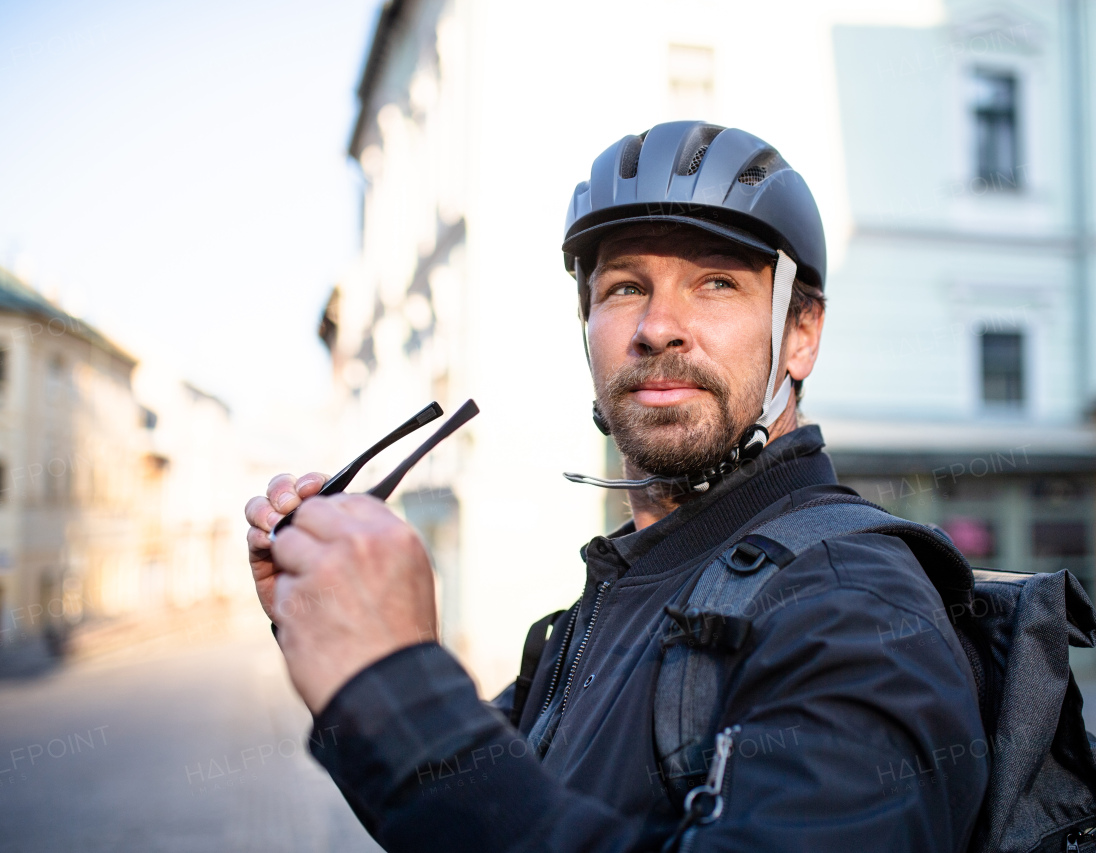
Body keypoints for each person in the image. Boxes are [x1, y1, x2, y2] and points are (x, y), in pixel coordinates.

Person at [245, 121, 987, 852]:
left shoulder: (850, 602)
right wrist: (339, 638)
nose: (659, 326)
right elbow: (467, 814)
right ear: (587, 325)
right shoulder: (616, 596)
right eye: (628, 286)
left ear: (802, 332)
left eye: (717, 282)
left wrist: (401, 684)